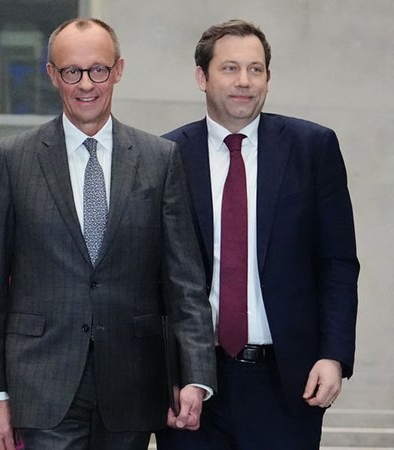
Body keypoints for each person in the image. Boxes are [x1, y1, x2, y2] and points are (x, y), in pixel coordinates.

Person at [0, 18, 216, 450]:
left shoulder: (160, 159)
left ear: (118, 70)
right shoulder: (13, 159)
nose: (86, 84)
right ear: (51, 74)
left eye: (98, 70)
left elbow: (185, 284)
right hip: (41, 383)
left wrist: (195, 374)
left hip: (135, 383)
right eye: (71, 72)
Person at [155, 19, 359, 450]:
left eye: (256, 69)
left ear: (268, 77)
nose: (244, 82)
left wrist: (334, 355)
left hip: (287, 382)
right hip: (193, 384)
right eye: (229, 68)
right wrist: (163, 375)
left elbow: (337, 263)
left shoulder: (313, 148)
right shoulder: (165, 156)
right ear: (202, 77)